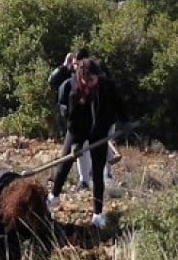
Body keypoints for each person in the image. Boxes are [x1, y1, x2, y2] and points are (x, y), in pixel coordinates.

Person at [47, 60, 124, 229]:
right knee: (65, 163)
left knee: (97, 171)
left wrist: (125, 123)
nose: (88, 84)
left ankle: (97, 214)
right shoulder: (70, 87)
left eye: (92, 80)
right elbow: (70, 118)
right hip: (77, 129)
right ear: (80, 76)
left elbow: (119, 105)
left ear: (97, 77)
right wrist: (76, 144)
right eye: (85, 80)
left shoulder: (107, 87)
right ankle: (54, 196)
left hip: (99, 131)